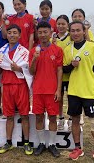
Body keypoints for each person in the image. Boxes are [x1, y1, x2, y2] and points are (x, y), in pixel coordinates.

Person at [63, 21, 94, 162]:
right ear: (70, 32)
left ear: (83, 31)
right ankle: (77, 148)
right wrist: (71, 66)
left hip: (89, 90)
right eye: (72, 31)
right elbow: (63, 69)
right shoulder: (67, 49)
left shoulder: (93, 47)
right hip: (74, 90)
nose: (75, 33)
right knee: (75, 120)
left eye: (78, 30)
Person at [0, 24, 33, 155]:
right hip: (7, 85)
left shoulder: (24, 52)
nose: (12, 35)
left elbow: (30, 70)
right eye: (9, 32)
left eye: (14, 32)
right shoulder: (1, 51)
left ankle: (27, 143)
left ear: (19, 35)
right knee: (9, 115)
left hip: (21, 85)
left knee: (24, 115)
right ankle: (9, 142)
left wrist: (19, 69)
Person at [29, 21, 63, 158]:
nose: (43, 35)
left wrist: (58, 90)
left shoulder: (57, 50)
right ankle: (42, 143)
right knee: (39, 117)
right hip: (38, 90)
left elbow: (60, 70)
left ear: (50, 33)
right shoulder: (33, 51)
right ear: (37, 34)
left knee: (53, 118)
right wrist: (34, 60)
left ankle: (52, 144)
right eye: (40, 32)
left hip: (52, 90)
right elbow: (31, 72)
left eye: (45, 32)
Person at [55, 15, 72, 131]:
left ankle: (71, 119)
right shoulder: (53, 38)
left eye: (63, 24)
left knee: (71, 98)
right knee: (59, 98)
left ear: (67, 25)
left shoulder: (71, 37)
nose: (61, 26)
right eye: (59, 24)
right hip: (57, 75)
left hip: (71, 74)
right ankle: (60, 118)